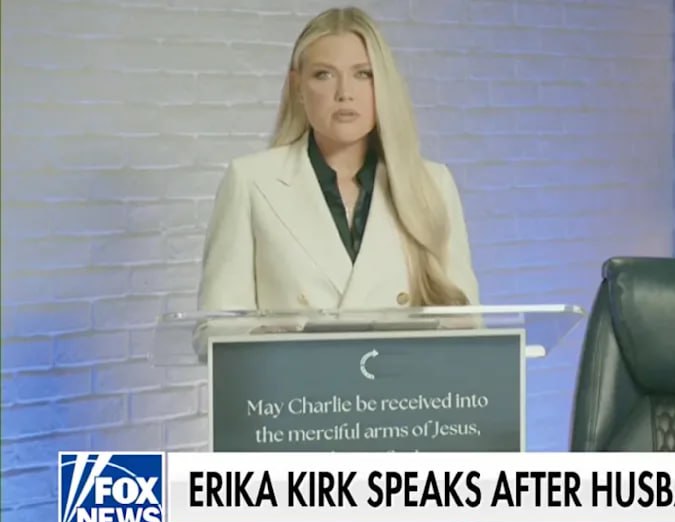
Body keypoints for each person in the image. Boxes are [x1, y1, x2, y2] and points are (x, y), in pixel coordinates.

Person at [194, 6, 479, 347]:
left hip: (401, 381)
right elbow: (215, 328)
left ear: (383, 84)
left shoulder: (432, 183)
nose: (345, 92)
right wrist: (263, 340)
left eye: (363, 74)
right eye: (324, 75)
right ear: (298, 87)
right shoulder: (251, 181)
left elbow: (468, 326)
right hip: (297, 380)